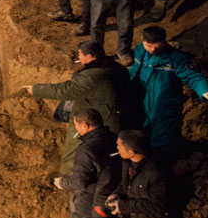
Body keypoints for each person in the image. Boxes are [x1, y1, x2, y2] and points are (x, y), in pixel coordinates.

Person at [23, 40, 130, 174]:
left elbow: (65, 90)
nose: (78, 58)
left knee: (76, 152)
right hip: (115, 118)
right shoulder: (119, 68)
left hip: (95, 120)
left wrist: (36, 89)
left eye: (80, 55)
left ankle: (70, 178)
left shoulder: (92, 76)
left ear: (90, 57)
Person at [52, 108, 121, 218]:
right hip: (110, 199)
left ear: (86, 125)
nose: (77, 130)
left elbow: (79, 181)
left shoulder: (87, 149)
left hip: (88, 203)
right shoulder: (114, 139)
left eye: (77, 126)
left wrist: (62, 183)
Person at [129, 25, 208, 153]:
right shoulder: (139, 50)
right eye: (149, 45)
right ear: (142, 40)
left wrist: (204, 90)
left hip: (164, 105)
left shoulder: (176, 58)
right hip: (142, 99)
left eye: (157, 46)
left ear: (164, 41)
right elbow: (134, 71)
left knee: (163, 139)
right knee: (141, 134)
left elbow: (192, 76)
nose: (152, 50)